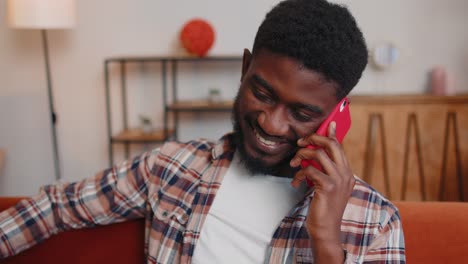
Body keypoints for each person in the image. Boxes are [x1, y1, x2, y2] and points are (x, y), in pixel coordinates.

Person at [0, 0, 405, 263]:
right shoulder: (172, 167)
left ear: (337, 115)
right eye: (262, 93)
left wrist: (327, 241)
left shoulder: (375, 220)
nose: (271, 123)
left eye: (301, 112)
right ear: (245, 69)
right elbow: (56, 206)